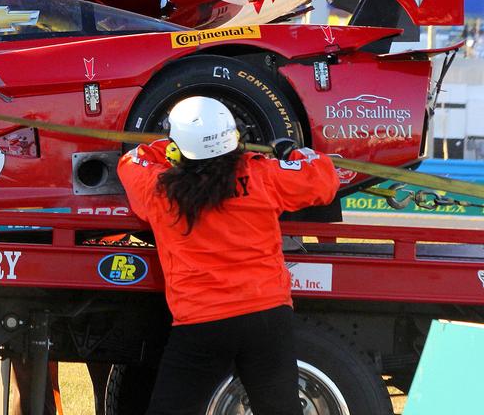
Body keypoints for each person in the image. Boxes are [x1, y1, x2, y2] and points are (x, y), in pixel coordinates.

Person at [117, 97, 339, 415]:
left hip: (202, 322)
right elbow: (323, 178)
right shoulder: (263, 174)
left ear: (177, 149)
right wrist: (291, 154)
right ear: (234, 136)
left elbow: (132, 161)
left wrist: (166, 147)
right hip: (267, 315)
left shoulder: (159, 191)